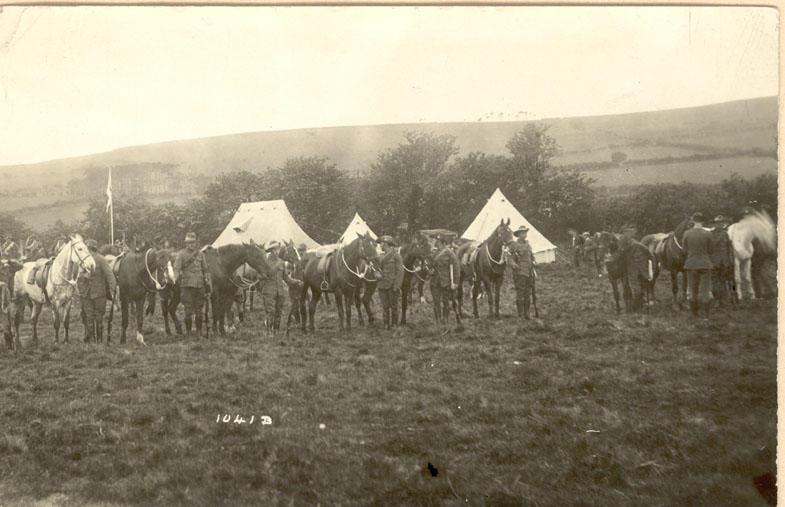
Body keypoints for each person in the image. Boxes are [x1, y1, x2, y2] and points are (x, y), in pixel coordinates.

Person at [78, 239, 116, 343]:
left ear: (92, 249)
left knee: (98, 317)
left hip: (99, 294)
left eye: (89, 249)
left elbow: (109, 275)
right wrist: (83, 276)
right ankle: (92, 339)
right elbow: (77, 276)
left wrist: (113, 290)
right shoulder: (83, 260)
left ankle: (99, 340)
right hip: (86, 293)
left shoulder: (101, 259)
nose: (88, 251)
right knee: (89, 317)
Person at [173, 232, 212, 336]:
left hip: (200, 285)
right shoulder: (181, 254)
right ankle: (189, 332)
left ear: (196, 243)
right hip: (187, 286)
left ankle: (199, 332)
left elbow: (205, 269)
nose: (191, 244)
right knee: (188, 310)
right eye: (189, 243)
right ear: (186, 243)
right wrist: (174, 279)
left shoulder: (200, 254)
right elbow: (176, 269)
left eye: (193, 242)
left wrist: (207, 280)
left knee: (199, 309)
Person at [682, 212, 714, 318]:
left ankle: (694, 315)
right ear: (703, 221)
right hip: (705, 264)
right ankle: (706, 316)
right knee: (705, 290)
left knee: (692, 290)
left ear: (693, 221)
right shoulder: (708, 234)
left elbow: (684, 250)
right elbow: (711, 250)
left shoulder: (687, 233)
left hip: (691, 264)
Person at [506, 225, 536, 319]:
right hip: (519, 272)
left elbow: (531, 257)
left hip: (529, 271)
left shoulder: (528, 245)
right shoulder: (514, 245)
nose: (524, 234)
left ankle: (527, 313)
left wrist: (534, 261)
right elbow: (509, 258)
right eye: (522, 232)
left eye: (525, 232)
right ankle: (520, 314)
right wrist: (513, 264)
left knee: (528, 293)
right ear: (518, 234)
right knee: (520, 293)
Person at [430, 234, 460, 324]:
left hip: (446, 282)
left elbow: (456, 268)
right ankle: (438, 320)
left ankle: (445, 319)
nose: (436, 244)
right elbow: (431, 266)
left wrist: (455, 282)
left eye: (438, 242)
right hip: (435, 282)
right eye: (436, 242)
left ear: (443, 243)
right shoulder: (434, 253)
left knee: (446, 302)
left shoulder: (449, 253)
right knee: (436, 302)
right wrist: (429, 271)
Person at [260, 240, 288, 335]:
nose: (278, 251)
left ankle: (276, 331)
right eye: (276, 249)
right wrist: (277, 265)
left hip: (280, 292)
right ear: (272, 250)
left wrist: (296, 282)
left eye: (278, 249)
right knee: (270, 311)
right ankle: (269, 332)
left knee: (279, 312)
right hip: (269, 291)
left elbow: (286, 278)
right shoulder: (265, 262)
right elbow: (268, 273)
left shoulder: (281, 262)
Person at [376, 235, 403, 330]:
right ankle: (386, 324)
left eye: (382, 243)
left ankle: (394, 324)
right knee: (385, 306)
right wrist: (376, 274)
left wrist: (397, 286)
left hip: (392, 285)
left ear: (386, 244)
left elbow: (400, 272)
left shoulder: (396, 256)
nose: (380, 245)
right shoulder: (380, 257)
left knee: (394, 306)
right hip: (382, 285)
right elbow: (376, 269)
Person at [709, 215, 735, 307]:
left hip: (725, 262)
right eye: (718, 223)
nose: (719, 225)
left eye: (721, 223)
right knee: (715, 282)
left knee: (723, 281)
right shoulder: (711, 234)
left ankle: (724, 300)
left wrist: (730, 260)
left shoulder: (726, 234)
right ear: (715, 224)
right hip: (714, 262)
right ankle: (717, 299)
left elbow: (729, 248)